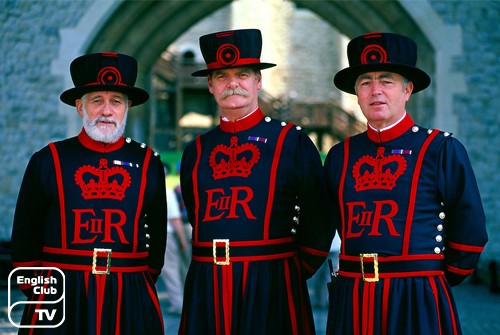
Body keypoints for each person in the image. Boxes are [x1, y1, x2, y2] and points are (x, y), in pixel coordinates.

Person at [324, 32, 488, 334]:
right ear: (356, 93)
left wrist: (427, 277)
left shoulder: (440, 149)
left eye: (386, 81)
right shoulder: (339, 156)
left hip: (417, 294)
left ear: (407, 89)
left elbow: (471, 229)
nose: (376, 91)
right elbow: (331, 221)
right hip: (352, 294)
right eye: (365, 82)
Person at [178, 29, 335, 334]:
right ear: (210, 85)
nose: (232, 83)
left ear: (258, 81)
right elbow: (197, 214)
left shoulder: (291, 141)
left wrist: (286, 270)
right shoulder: (197, 150)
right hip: (207, 282)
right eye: (222, 76)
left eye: (242, 74)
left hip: (272, 281)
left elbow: (320, 217)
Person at [11, 52, 167, 334]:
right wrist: (40, 293)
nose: (106, 110)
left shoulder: (148, 162)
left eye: (116, 101)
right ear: (80, 107)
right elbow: (25, 233)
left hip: (128, 290)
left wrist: (139, 284)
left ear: (127, 107)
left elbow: (157, 237)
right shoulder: (49, 159)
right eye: (97, 100)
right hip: (60, 292)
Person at [159, 169, 188, 315]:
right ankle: (179, 304)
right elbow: (175, 219)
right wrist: (183, 240)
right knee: (172, 270)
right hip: (167, 234)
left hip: (151, 234)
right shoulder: (166, 191)